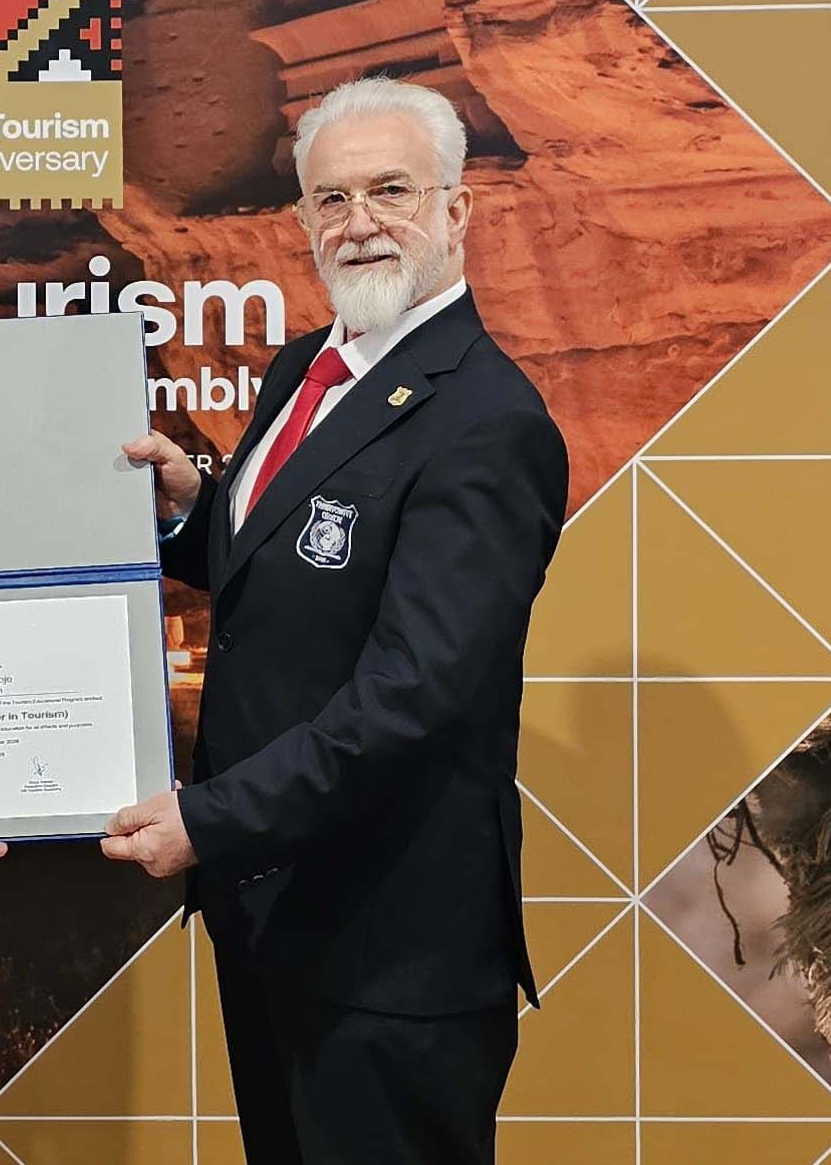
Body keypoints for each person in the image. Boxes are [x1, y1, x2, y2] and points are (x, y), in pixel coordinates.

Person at [110, 76, 568, 1164]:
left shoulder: (487, 421)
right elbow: (293, 569)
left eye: (391, 190)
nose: (359, 222)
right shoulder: (304, 369)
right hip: (275, 922)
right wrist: (193, 512)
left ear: (457, 209)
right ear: (304, 218)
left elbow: (414, 693)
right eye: (331, 198)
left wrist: (211, 820)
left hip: (390, 948)